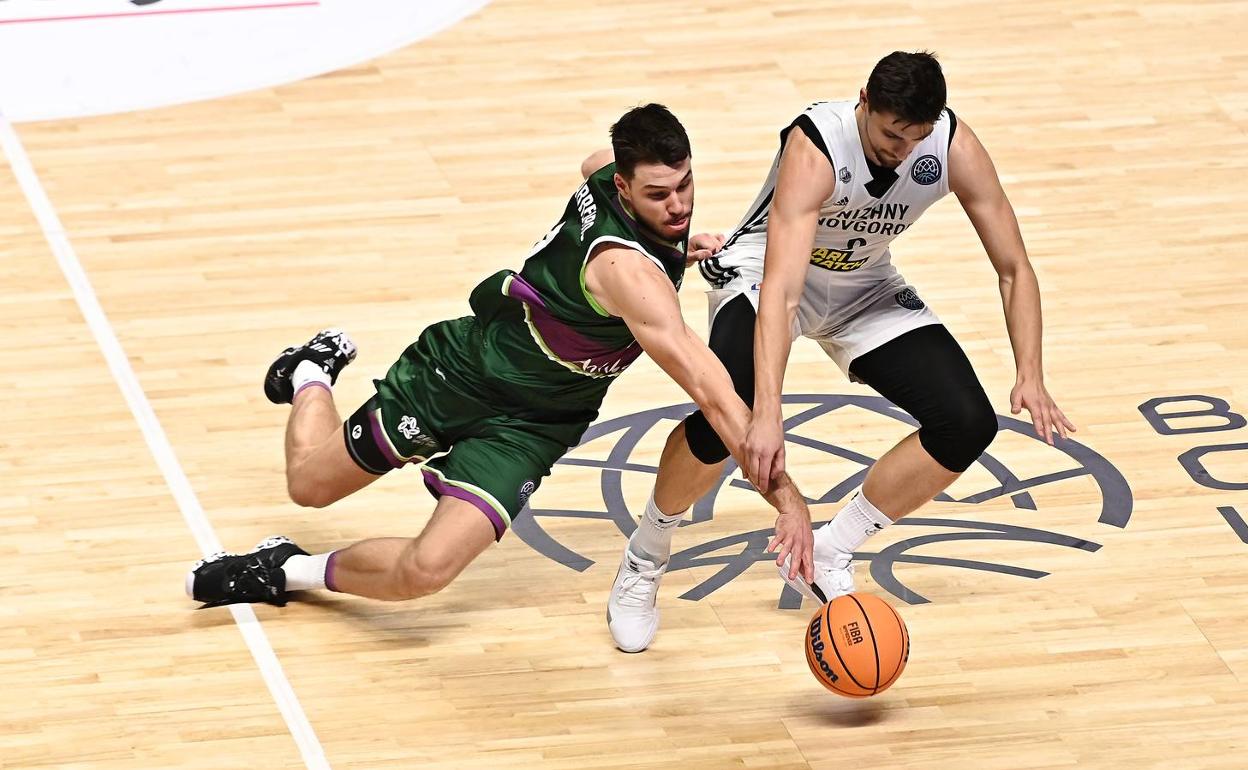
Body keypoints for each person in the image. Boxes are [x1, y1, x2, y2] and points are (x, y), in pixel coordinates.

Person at [185, 104, 817, 615]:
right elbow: (713, 394)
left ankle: (284, 569)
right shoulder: (627, 271)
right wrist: (788, 500)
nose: (678, 207)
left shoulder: (616, 179)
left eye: (685, 186)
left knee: (426, 571)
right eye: (658, 195)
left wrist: (681, 248)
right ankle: (313, 370)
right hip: (461, 377)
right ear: (624, 187)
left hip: (534, 425)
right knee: (308, 485)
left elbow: (591, 161)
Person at [606, 51, 1076, 652]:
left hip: (865, 285)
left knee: (966, 423)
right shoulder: (818, 145)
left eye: (916, 137)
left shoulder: (952, 146)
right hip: (763, 275)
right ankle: (646, 555)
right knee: (728, 417)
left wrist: (1029, 373)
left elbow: (1014, 266)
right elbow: (781, 290)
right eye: (889, 134)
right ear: (863, 102)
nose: (901, 149)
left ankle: (833, 547)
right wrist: (768, 415)